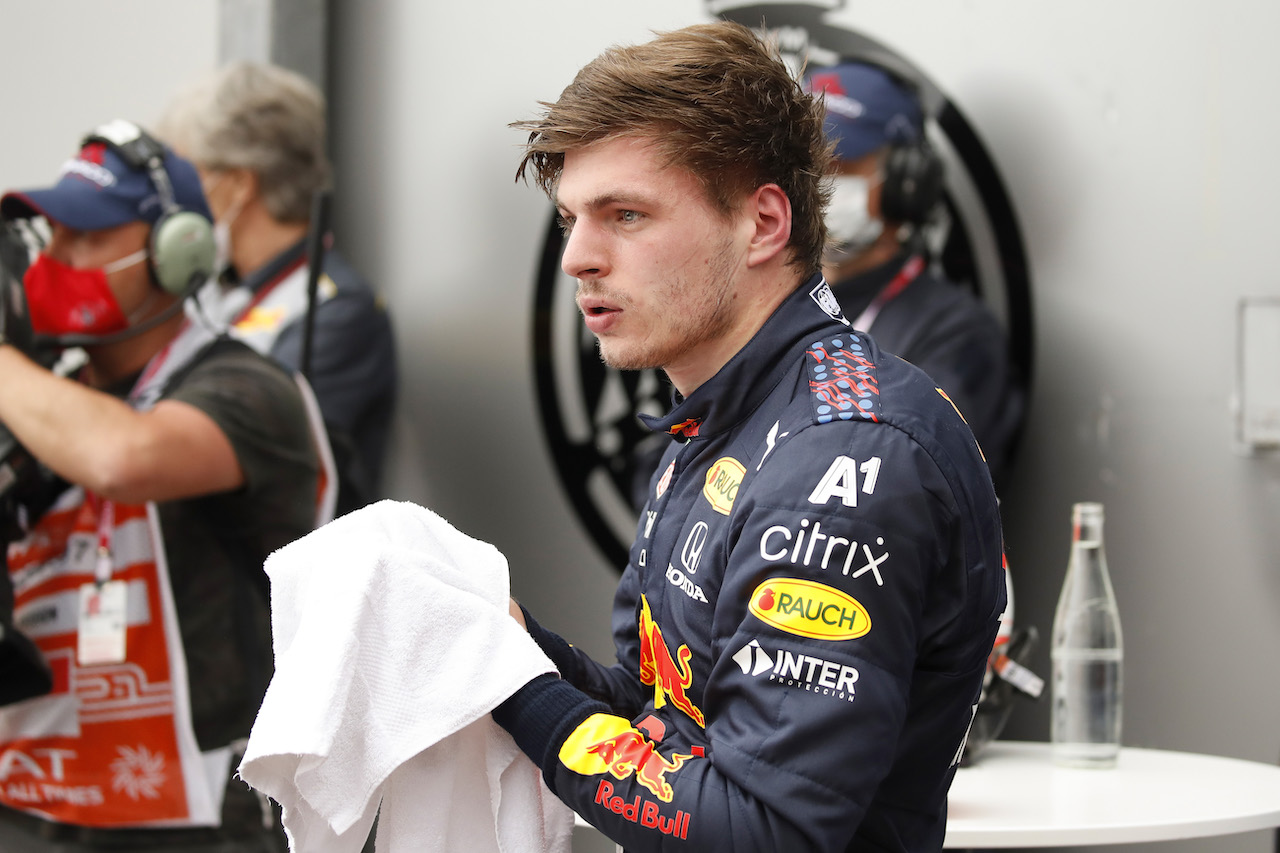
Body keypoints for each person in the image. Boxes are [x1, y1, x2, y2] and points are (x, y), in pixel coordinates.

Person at [491, 21, 1007, 852]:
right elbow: (665, 718)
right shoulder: (722, 419)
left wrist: (522, 700)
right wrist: (498, 647)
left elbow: (765, 830)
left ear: (764, 223)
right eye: (571, 220)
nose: (579, 258)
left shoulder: (845, 457)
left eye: (625, 214)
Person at [0, 120, 322, 851]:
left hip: (204, 811)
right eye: (49, 239)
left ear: (175, 252)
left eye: (84, 237)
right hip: (43, 794)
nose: (54, 260)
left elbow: (125, 457)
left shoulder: (246, 386)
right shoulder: (43, 396)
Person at [156, 61, 398, 516]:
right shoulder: (213, 293)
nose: (172, 203)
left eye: (185, 179)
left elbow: (236, 454)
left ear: (238, 184)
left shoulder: (336, 309)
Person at [804, 61, 1024, 489]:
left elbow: (903, 492)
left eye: (840, 161)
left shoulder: (954, 334)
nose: (816, 182)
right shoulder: (761, 311)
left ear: (907, 182)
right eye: (806, 162)